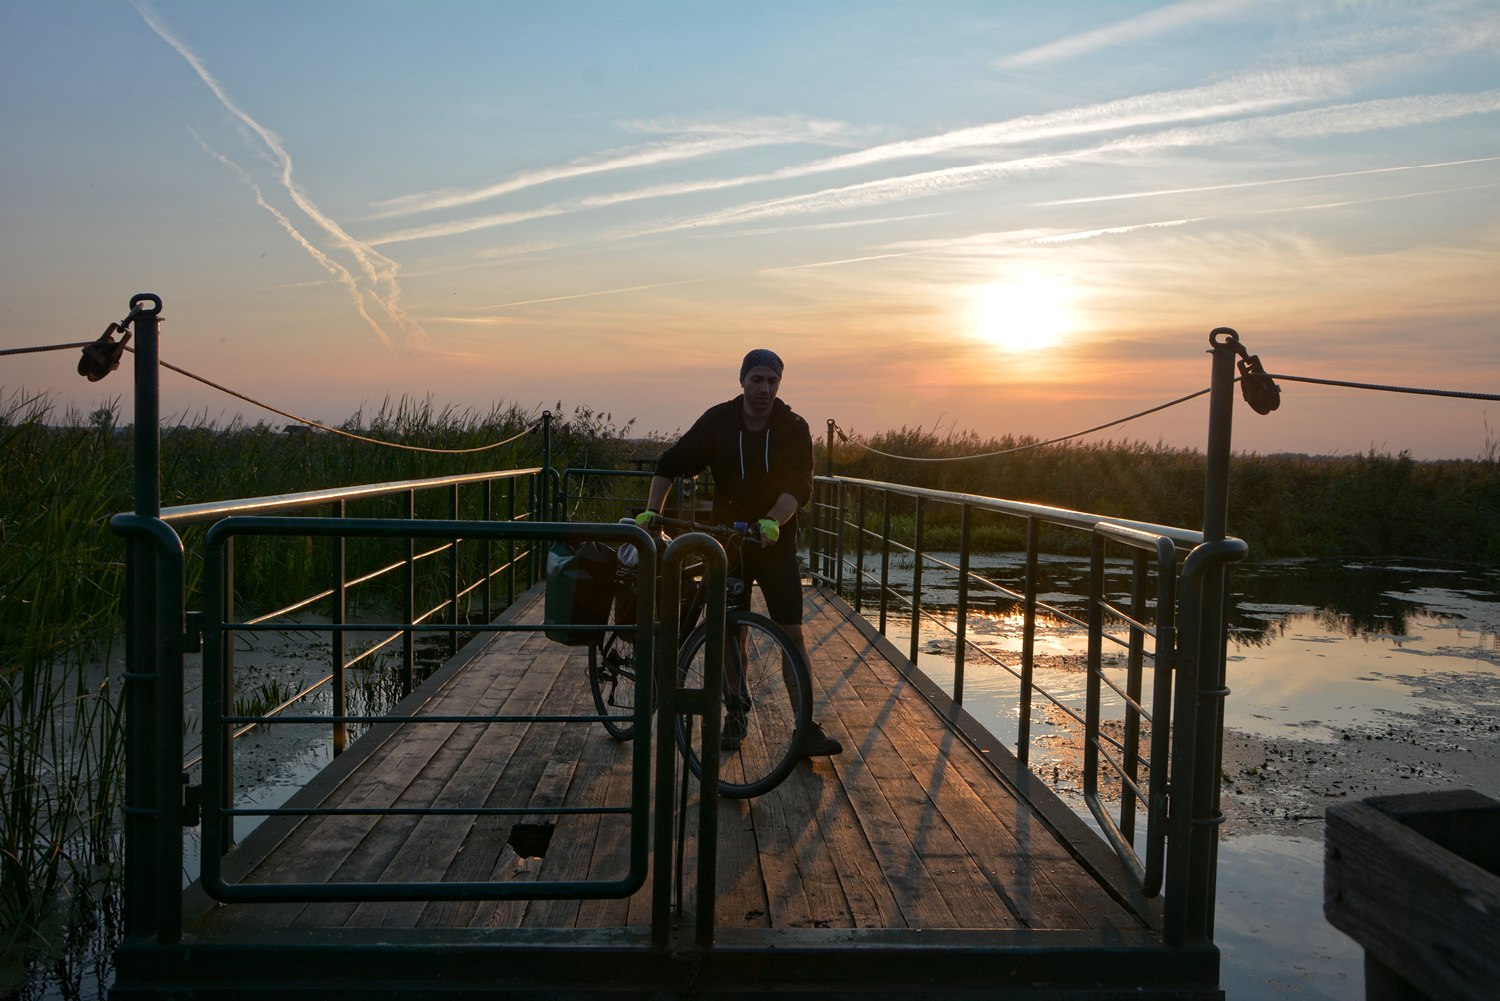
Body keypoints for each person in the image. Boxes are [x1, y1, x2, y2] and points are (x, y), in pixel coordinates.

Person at [636, 348, 843, 758]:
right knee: (731, 632)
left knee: (793, 634)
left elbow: (799, 485)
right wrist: (652, 512)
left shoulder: (793, 427)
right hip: (728, 543)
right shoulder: (719, 421)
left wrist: (773, 520)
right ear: (743, 380)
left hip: (774, 543)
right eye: (757, 380)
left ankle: (805, 727)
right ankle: (736, 713)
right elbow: (670, 462)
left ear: (779, 384)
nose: (764, 389)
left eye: (772, 381)